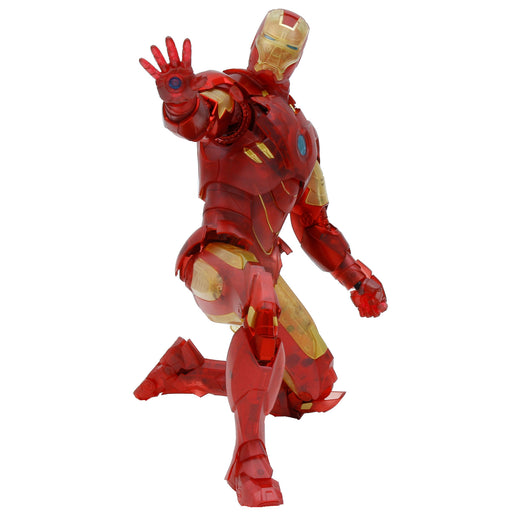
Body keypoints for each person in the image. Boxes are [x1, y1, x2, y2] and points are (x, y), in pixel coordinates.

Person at [135, 9, 387, 507]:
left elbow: (314, 224)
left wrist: (355, 276)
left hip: (264, 267)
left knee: (310, 386)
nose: (275, 53)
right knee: (261, 301)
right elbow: (208, 117)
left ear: (300, 59)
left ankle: (187, 370)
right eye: (269, 41)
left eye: (288, 48)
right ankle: (250, 462)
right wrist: (181, 102)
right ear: (254, 43)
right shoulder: (233, 94)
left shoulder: (304, 136)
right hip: (218, 255)